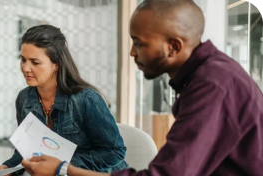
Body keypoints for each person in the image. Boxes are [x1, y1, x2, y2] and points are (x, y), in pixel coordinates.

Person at [20, 0, 263, 175]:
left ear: (174, 47)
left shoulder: (213, 85)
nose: (132, 52)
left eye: (139, 44)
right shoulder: (204, 76)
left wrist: (63, 169)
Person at [0, 24, 128, 176]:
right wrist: (7, 168)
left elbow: (114, 153)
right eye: (23, 60)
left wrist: (61, 166)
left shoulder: (86, 100)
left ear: (56, 65)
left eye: (35, 62)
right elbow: (25, 152)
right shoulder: (24, 99)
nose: (25, 68)